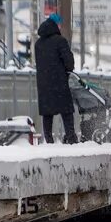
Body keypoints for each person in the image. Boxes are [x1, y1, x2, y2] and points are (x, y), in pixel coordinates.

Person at [34, 13, 78, 143]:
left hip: (44, 83)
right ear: (56, 25)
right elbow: (69, 62)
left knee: (47, 113)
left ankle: (48, 140)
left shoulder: (38, 44)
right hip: (59, 82)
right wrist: (68, 69)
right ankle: (71, 137)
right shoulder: (60, 41)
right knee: (66, 110)